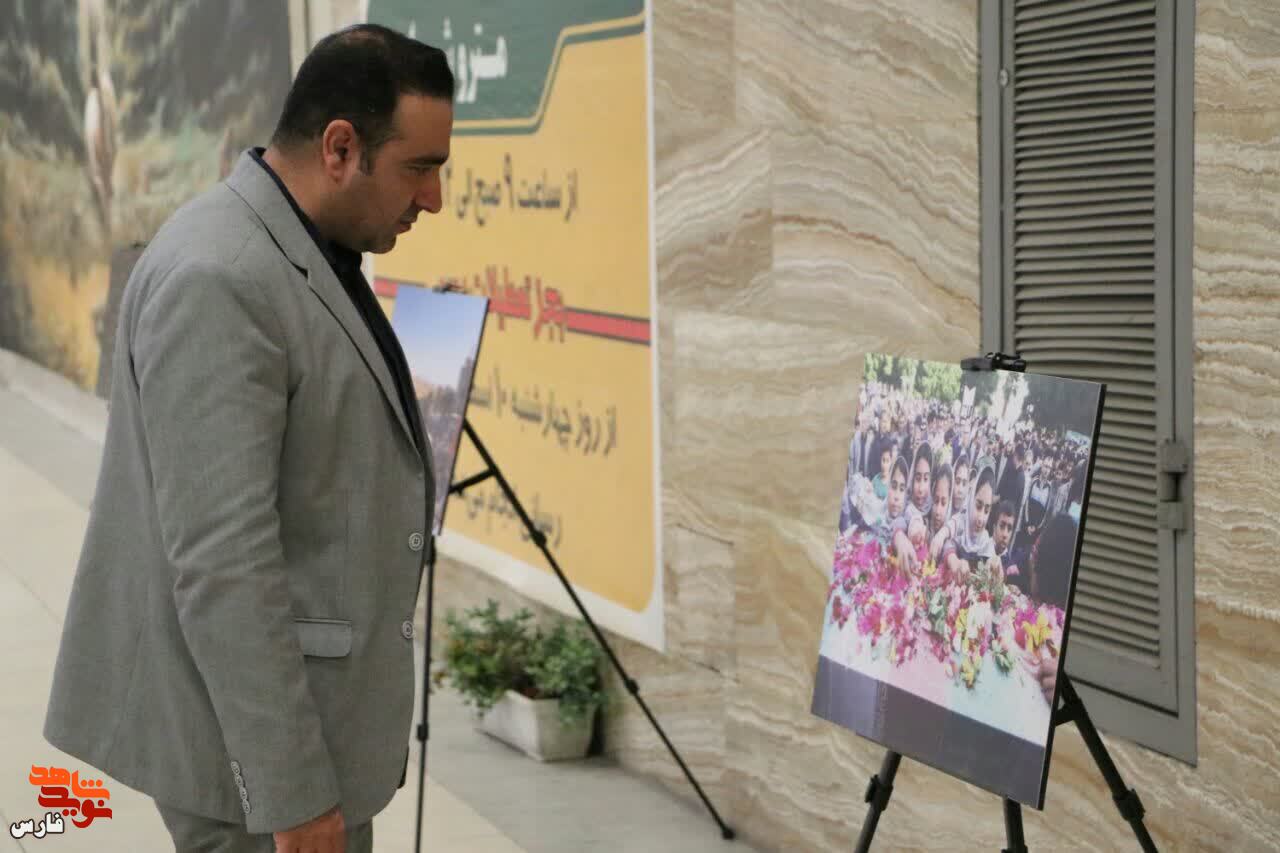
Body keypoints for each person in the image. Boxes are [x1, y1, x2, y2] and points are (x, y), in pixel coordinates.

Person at [43, 24, 454, 853]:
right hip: (254, 776)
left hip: (308, 739)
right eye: (419, 167)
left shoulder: (299, 247)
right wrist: (292, 794)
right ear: (340, 148)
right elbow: (224, 561)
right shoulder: (220, 277)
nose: (434, 198)